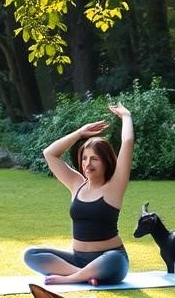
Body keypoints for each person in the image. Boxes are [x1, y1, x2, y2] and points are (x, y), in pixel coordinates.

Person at [23, 102, 134, 285]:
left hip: (109, 259)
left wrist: (126, 116)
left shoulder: (114, 187)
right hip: (77, 259)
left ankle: (72, 278)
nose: (87, 164)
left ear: (106, 162)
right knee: (30, 255)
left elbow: (127, 142)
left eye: (94, 159)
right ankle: (84, 275)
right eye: (84, 158)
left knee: (114, 259)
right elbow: (49, 153)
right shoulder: (77, 184)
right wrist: (80, 133)